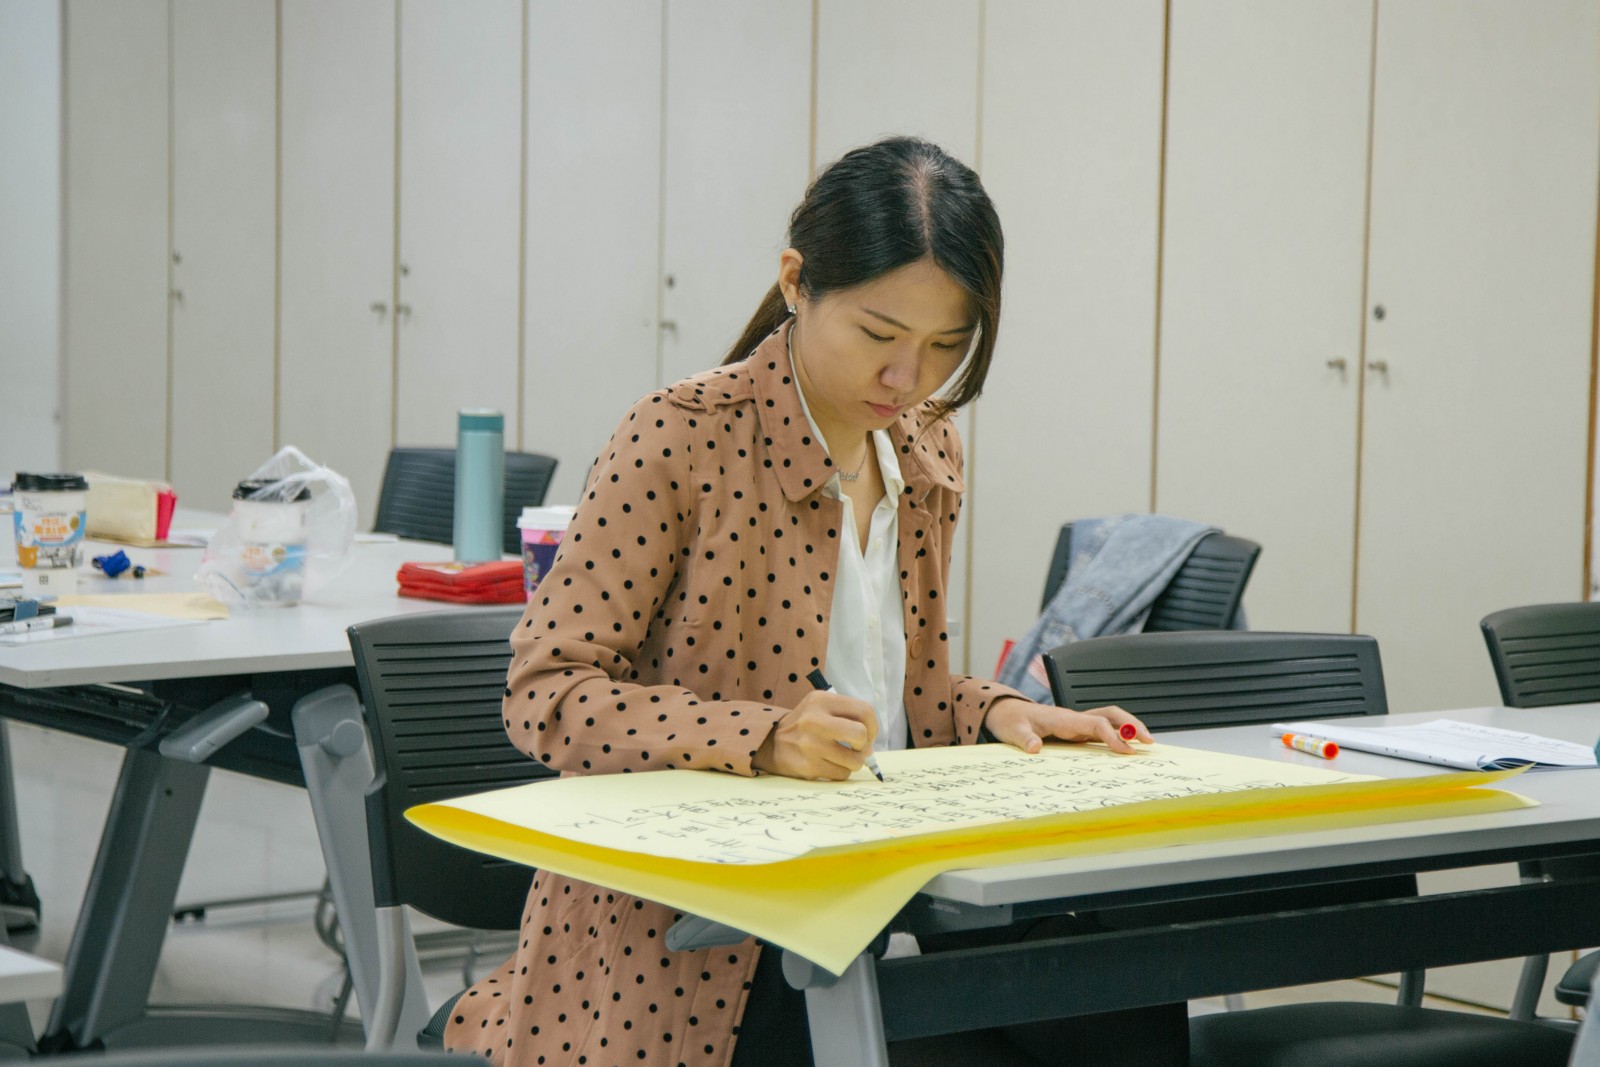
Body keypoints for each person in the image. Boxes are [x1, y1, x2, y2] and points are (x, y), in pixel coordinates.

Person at [446, 137, 1183, 1067]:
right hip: (702, 937)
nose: (908, 379)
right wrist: (763, 738)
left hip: (887, 891)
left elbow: (889, 695)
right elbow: (546, 694)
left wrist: (998, 711)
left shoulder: (927, 448)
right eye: (879, 335)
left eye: (945, 346)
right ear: (796, 282)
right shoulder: (678, 438)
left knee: (1123, 1004)